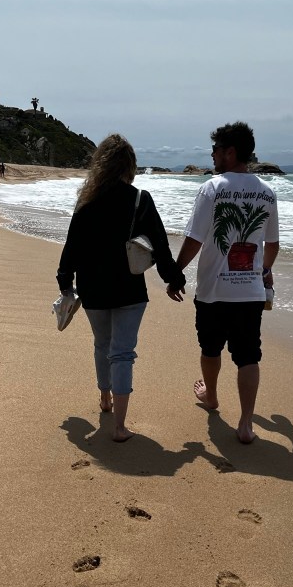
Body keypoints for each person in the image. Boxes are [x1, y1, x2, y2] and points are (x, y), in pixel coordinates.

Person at [57, 134, 185, 442]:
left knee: (102, 345)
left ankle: (105, 399)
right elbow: (160, 246)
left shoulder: (87, 200)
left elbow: (72, 246)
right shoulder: (140, 199)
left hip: (93, 288)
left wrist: (65, 282)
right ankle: (119, 427)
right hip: (129, 289)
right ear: (129, 165)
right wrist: (173, 279)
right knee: (123, 353)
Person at [167, 122, 279, 444]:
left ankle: (212, 397)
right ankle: (245, 423)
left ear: (230, 152)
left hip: (214, 291)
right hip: (250, 292)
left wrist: (176, 272)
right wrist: (264, 270)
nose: (212, 155)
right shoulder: (267, 192)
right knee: (248, 356)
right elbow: (272, 244)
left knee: (210, 348)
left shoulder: (212, 188)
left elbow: (195, 239)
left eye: (215, 150)